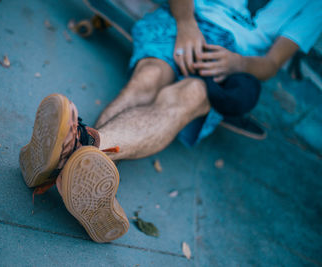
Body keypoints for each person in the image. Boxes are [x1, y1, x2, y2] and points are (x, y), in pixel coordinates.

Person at [19, 0, 322, 243]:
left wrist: (238, 63)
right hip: (184, 20)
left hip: (232, 58)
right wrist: (186, 24)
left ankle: (70, 153)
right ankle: (82, 154)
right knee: (149, 77)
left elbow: (271, 63)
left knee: (190, 94)